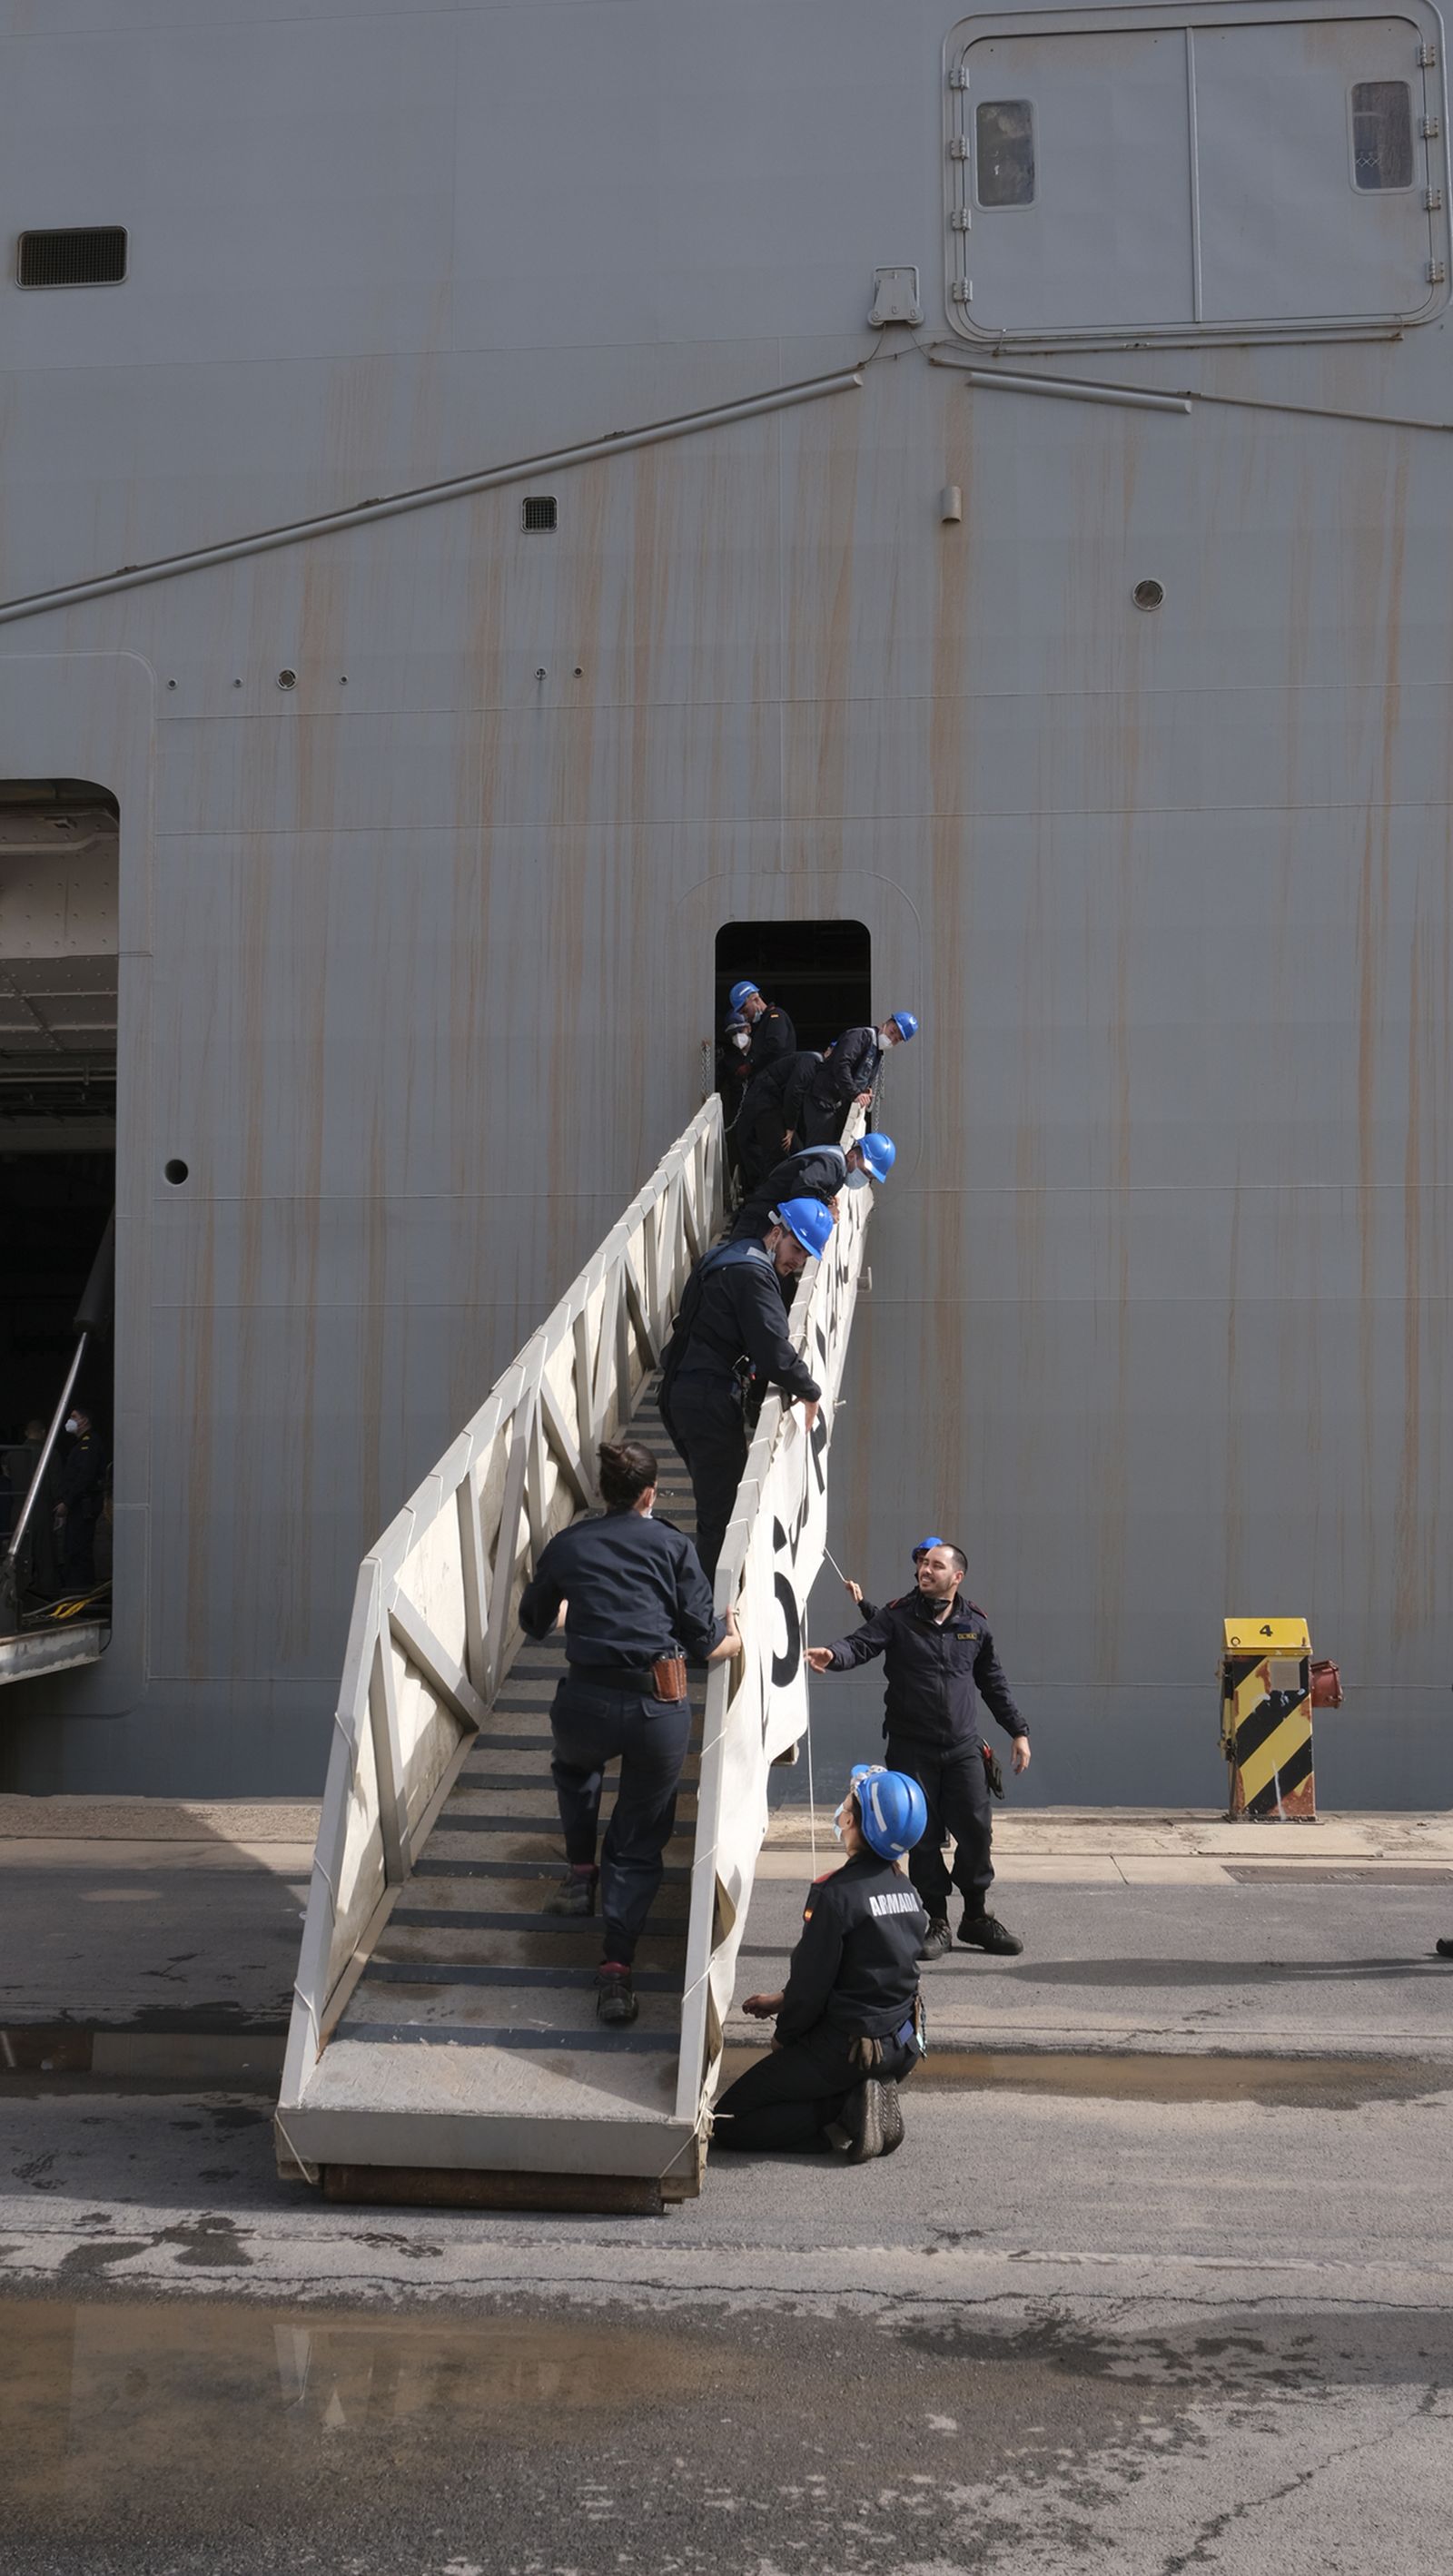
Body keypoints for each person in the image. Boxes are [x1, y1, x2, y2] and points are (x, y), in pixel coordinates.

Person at [518, 1437, 743, 2028]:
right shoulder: (673, 1545)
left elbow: (533, 1620)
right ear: (649, 1494)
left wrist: (574, 1606)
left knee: (574, 1767)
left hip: (586, 1699)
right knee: (639, 1839)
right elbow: (702, 1641)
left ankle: (578, 1873)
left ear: (600, 1491)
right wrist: (736, 1638)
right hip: (656, 1706)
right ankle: (616, 1967)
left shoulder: (568, 1544)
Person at [807, 1540, 1030, 1961]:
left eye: (936, 1565)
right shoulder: (897, 1617)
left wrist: (1018, 1731)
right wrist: (833, 1655)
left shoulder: (975, 1625)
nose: (926, 1570)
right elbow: (861, 1644)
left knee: (977, 1831)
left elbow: (993, 1683)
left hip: (964, 1748)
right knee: (923, 1839)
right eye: (924, 1564)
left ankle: (976, 1917)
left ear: (956, 1577)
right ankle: (938, 1921)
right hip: (913, 1749)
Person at [712, 1765, 929, 2161]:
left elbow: (811, 1988)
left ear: (855, 1823)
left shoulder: (835, 1896)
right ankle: (864, 2090)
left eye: (849, 1805)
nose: (841, 1811)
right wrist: (782, 1998)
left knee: (729, 2120)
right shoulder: (907, 1890)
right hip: (900, 2044)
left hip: (848, 2050)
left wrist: (786, 2035)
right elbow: (867, 1972)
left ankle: (844, 2109)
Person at [657, 1197, 830, 1578]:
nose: (796, 1261)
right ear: (775, 1232)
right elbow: (773, 1350)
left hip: (678, 1389)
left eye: (805, 1256)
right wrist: (810, 1389)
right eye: (795, 1248)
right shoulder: (754, 1275)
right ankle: (709, 1619)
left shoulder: (729, 1253)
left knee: (716, 1506)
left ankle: (698, 1601)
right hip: (706, 1397)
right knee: (725, 1518)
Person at [728, 1132, 895, 1243]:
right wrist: (825, 1212)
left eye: (869, 1177)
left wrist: (824, 1199)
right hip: (758, 1224)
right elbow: (803, 1189)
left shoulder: (833, 1160)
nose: (864, 1179)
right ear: (852, 1156)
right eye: (865, 1172)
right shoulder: (832, 1166)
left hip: (765, 1222)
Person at [797, 1012, 919, 1148]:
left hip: (834, 1106)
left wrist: (863, 1091)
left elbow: (858, 1075)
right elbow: (842, 1064)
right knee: (817, 1150)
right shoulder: (860, 1036)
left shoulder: (876, 1052)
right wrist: (856, 1093)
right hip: (821, 1100)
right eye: (892, 1032)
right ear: (885, 1024)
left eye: (897, 1039)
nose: (892, 1039)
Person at [736, 1047, 822, 1188]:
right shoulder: (811, 1061)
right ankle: (764, 1195)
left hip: (767, 1101)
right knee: (780, 1154)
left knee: (790, 1153)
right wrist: (790, 1127)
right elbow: (794, 1092)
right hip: (767, 1101)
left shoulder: (808, 1061)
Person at [55, 1408, 104, 1592]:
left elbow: (84, 1477)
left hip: (82, 1505)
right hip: (78, 1504)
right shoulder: (81, 1445)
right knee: (73, 1547)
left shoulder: (88, 1444)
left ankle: (78, 1591)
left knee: (78, 1549)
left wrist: (67, 1501)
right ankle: (75, 1588)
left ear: (84, 1421)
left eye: (74, 1417)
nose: (70, 1420)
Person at [729, 980, 796, 1079]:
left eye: (745, 1011)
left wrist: (750, 1065)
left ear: (755, 999)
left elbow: (775, 1044)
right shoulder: (760, 1025)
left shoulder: (776, 1016)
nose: (745, 1017)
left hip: (776, 1082)